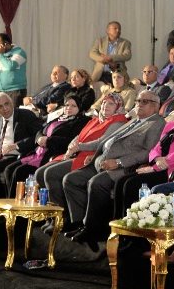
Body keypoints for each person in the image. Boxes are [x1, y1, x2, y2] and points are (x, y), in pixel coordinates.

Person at [64, 92, 165, 251]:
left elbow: (147, 152)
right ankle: (79, 223)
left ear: (156, 106)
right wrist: (96, 156)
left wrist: (118, 162)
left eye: (145, 101)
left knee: (96, 183)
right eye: (138, 100)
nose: (139, 104)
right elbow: (108, 142)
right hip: (100, 162)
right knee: (71, 180)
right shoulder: (135, 120)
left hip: (124, 167)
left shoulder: (157, 123)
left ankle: (93, 230)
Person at [38, 92, 129, 233]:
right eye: (104, 103)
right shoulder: (96, 119)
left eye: (111, 104)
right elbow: (79, 136)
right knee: (40, 173)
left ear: (118, 106)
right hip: (79, 153)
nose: (105, 106)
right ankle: (53, 217)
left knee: (51, 173)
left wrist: (79, 147)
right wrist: (71, 148)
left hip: (91, 157)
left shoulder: (118, 121)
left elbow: (102, 142)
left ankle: (64, 219)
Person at [0, 96, 91, 194]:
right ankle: (9, 200)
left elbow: (70, 141)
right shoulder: (59, 118)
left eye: (73, 106)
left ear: (79, 108)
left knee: (19, 172)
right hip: (37, 153)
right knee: (9, 170)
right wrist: (39, 138)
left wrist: (48, 140)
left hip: (52, 154)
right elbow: (40, 130)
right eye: (67, 105)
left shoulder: (81, 122)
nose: (69, 108)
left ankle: (18, 201)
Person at [0, 33, 28, 103]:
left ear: (6, 44)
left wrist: (1, 55)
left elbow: (10, 66)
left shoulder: (19, 52)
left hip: (15, 91)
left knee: (13, 110)